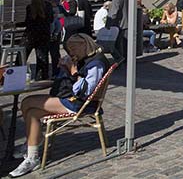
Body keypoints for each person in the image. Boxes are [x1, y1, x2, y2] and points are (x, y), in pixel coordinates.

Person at [11, 34, 110, 177]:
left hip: (81, 104)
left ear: (84, 44)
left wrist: (72, 71)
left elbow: (85, 91)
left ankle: (33, 144)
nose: (72, 52)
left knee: (28, 102)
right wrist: (64, 69)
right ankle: (32, 153)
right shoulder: (86, 59)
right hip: (74, 100)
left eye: (73, 48)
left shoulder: (96, 63)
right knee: (32, 112)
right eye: (69, 50)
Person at [24, 0, 52, 82]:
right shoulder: (48, 6)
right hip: (44, 34)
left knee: (22, 56)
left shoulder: (30, 7)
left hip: (31, 34)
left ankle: (17, 74)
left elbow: (28, 22)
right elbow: (51, 20)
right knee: (42, 57)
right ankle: (42, 76)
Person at [107, 0, 129, 64]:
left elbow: (113, 12)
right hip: (127, 23)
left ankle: (119, 60)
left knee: (116, 44)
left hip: (119, 24)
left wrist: (108, 24)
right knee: (125, 44)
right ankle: (126, 60)